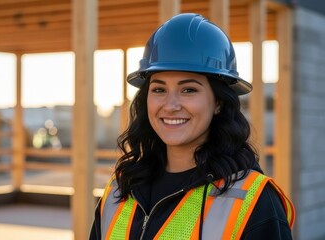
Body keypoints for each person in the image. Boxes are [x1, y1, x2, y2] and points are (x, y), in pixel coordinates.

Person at [89, 13, 295, 240]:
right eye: (159, 89)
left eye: (188, 90)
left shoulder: (254, 202)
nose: (170, 105)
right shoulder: (119, 190)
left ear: (218, 102)